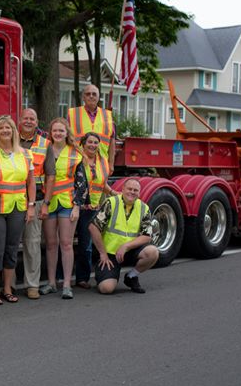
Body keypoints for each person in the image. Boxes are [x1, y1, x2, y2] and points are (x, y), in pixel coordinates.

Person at [0, 116, 35, 305]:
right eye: (1, 128)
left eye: (9, 127)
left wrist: (31, 206)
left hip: (18, 208)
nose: (5, 130)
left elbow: (30, 182)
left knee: (12, 249)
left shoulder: (24, 154)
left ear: (14, 131)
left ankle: (7, 288)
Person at [40, 118, 86, 300]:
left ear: (67, 133)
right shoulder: (44, 149)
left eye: (61, 130)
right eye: (55, 130)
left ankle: (66, 284)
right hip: (49, 202)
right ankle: (51, 283)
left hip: (67, 203)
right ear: (50, 132)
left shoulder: (75, 153)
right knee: (51, 244)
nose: (58, 133)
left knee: (66, 244)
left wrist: (77, 206)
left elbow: (82, 183)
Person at [89, 178, 159, 294]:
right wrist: (102, 254)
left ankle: (131, 276)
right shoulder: (111, 203)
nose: (132, 192)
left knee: (153, 252)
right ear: (122, 189)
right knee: (106, 289)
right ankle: (105, 274)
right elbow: (93, 227)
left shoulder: (143, 208)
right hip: (110, 254)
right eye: (129, 189)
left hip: (130, 251)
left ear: (139, 193)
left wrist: (126, 246)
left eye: (135, 190)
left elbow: (147, 235)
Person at [18, 108, 54, 299]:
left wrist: (46, 202)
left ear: (37, 121)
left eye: (32, 118)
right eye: (26, 118)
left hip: (36, 200)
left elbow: (50, 176)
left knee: (32, 244)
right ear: (20, 120)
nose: (29, 121)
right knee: (6, 244)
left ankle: (32, 285)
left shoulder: (44, 144)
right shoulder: (9, 140)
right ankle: (4, 285)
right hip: (11, 199)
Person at [76, 132, 116, 289]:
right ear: (83, 144)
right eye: (89, 142)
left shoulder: (102, 162)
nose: (92, 145)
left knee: (86, 245)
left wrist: (113, 193)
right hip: (75, 206)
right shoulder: (77, 159)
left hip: (92, 208)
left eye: (95, 142)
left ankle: (82, 278)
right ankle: (61, 276)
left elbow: (102, 184)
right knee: (65, 243)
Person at [68, 84, 115, 171]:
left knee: (100, 185)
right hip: (78, 162)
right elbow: (66, 139)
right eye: (88, 94)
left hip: (101, 164)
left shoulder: (108, 115)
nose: (91, 96)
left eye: (94, 94)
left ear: (98, 97)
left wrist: (111, 164)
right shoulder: (72, 114)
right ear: (83, 97)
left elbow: (112, 141)